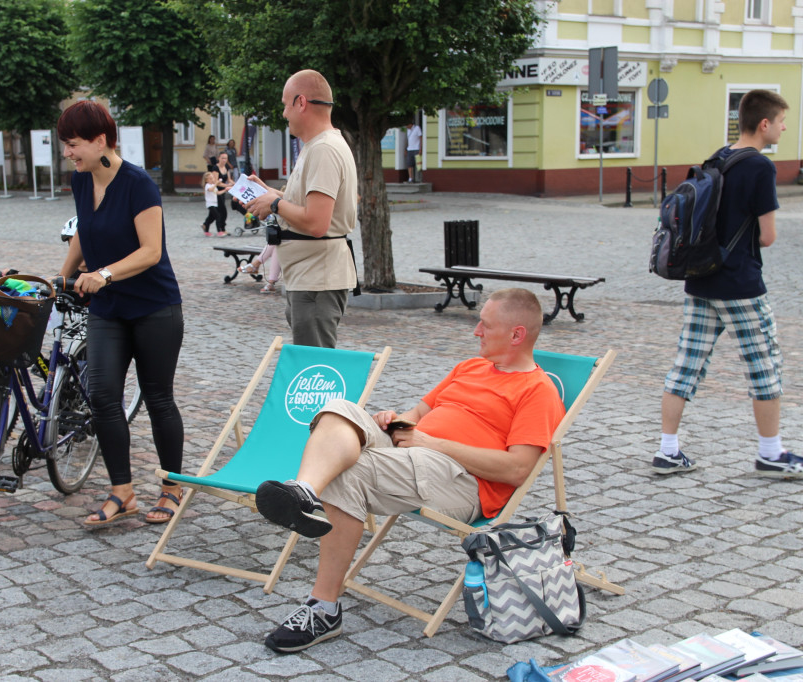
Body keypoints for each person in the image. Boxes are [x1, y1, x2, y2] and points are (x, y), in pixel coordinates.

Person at [254, 289, 565, 653]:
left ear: (516, 335)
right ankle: (304, 492)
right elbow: (416, 416)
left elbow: (517, 469)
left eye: (485, 324)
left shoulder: (538, 391)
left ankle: (323, 609)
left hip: (460, 480)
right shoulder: (470, 367)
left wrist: (432, 443)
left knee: (348, 472)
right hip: (412, 451)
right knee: (340, 409)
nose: (476, 330)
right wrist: (393, 420)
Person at [652, 89, 801, 477]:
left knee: (687, 362)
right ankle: (771, 453)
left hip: (701, 277)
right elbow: (767, 236)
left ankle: (668, 450)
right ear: (764, 124)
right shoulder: (761, 168)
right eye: (782, 121)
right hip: (740, 283)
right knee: (763, 364)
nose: (785, 127)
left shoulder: (717, 157)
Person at [56, 100, 186, 527]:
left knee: (158, 398)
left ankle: (171, 487)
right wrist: (63, 275)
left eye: (73, 145)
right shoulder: (82, 180)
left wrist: (105, 274)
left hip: (154, 308)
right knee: (102, 397)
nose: (68, 154)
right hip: (108, 310)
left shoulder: (138, 184)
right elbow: (83, 230)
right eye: (65, 146)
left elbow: (151, 251)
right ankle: (122, 492)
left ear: (100, 140)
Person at [244, 69, 358, 348]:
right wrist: (274, 195)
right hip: (309, 276)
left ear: (301, 102)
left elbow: (317, 222)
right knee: (311, 365)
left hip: (317, 278)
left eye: (285, 104)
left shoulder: (323, 149)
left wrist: (274, 203)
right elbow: (310, 207)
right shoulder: (317, 146)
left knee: (314, 369)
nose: (284, 113)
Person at [214, 151, 237, 234]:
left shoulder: (226, 167)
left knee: (215, 211)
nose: (224, 160)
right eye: (222, 158)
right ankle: (221, 229)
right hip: (216, 191)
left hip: (223, 191)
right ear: (219, 158)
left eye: (225, 158)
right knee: (222, 211)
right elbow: (216, 182)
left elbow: (229, 179)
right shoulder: (215, 168)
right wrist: (227, 186)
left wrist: (235, 184)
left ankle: (206, 225)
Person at [200, 170, 228, 237]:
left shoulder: (213, 185)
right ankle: (219, 231)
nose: (212, 179)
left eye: (212, 178)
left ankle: (205, 228)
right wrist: (216, 183)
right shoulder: (207, 185)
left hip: (215, 204)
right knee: (218, 216)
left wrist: (225, 190)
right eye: (210, 178)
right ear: (206, 180)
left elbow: (217, 193)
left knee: (211, 218)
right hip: (210, 204)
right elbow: (210, 190)